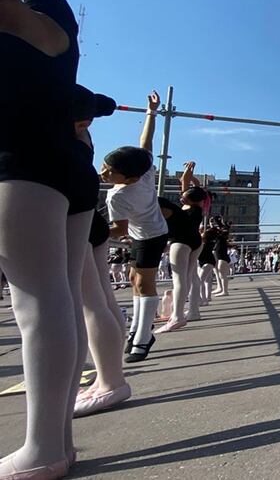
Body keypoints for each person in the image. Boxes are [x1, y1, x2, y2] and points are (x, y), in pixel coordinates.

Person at [0, 0, 95, 477]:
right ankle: (53, 437)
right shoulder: (52, 17)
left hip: (20, 168)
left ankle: (46, 446)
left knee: (38, 304)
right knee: (58, 297)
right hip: (68, 167)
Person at [70, 86, 132, 418]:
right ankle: (108, 375)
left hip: (73, 215)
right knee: (100, 299)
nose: (105, 173)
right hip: (87, 218)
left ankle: (110, 379)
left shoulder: (117, 195)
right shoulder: (81, 139)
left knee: (90, 302)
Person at [102, 91, 170, 366]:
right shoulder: (143, 172)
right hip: (145, 233)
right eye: (105, 167)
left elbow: (119, 229)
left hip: (151, 234)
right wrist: (151, 112)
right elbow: (146, 142)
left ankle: (143, 336)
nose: (104, 174)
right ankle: (137, 329)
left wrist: (89, 231)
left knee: (144, 282)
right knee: (134, 280)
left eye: (110, 172)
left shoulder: (116, 196)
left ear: (129, 177)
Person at [155, 161, 207, 332]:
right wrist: (190, 172)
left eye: (184, 195)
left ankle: (177, 316)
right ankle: (190, 311)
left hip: (181, 241)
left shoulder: (184, 208)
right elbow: (190, 184)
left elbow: (185, 182)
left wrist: (189, 170)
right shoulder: (199, 206)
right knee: (190, 278)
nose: (181, 196)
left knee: (180, 280)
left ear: (189, 198)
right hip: (195, 241)